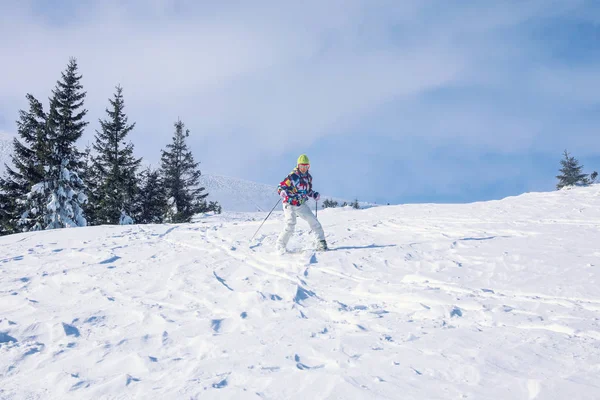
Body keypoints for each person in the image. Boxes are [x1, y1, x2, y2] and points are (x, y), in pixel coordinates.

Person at [276, 154, 328, 253]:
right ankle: (280, 245)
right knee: (291, 223)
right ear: (298, 166)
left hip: (300, 204)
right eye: (302, 166)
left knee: (313, 221)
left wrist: (314, 194)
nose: (304, 168)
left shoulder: (308, 178)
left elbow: (307, 191)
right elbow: (281, 186)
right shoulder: (292, 176)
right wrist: (282, 191)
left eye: (306, 166)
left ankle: (321, 241)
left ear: (308, 166)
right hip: (289, 203)